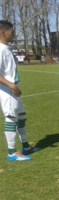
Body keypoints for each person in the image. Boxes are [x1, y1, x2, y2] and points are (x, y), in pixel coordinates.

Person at [0, 20, 37, 161]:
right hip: (7, 90)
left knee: (22, 116)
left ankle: (26, 147)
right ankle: (12, 153)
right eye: (12, 31)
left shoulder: (6, 48)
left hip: (13, 89)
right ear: (2, 32)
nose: (14, 34)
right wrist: (12, 85)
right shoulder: (0, 49)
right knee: (11, 119)